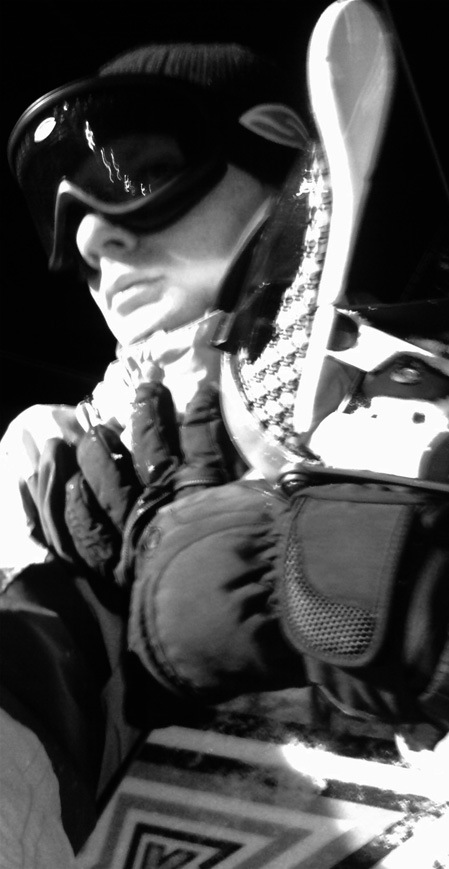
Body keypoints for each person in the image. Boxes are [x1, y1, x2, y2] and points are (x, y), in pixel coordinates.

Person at [0, 41, 309, 864]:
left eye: (139, 176)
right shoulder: (61, 461)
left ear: (278, 157)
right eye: (65, 215)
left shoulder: (416, 374)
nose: (95, 237)